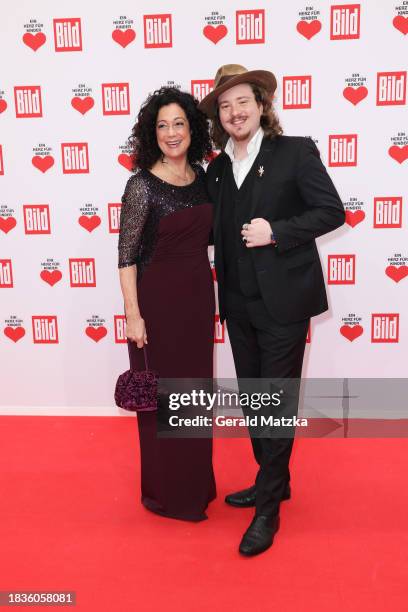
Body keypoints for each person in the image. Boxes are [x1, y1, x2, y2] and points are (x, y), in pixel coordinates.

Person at [199, 65, 345, 555]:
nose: (234, 111)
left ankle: (267, 510)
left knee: (275, 406)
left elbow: (332, 211)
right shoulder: (217, 168)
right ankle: (274, 481)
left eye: (243, 101)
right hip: (237, 305)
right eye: (224, 105)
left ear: (261, 105)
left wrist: (277, 232)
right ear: (219, 116)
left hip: (284, 304)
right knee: (255, 402)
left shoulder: (295, 151)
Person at [117, 87, 216, 521]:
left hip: (197, 299)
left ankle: (196, 484)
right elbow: (126, 256)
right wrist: (134, 316)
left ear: (192, 128)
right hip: (157, 304)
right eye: (162, 125)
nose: (171, 133)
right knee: (163, 399)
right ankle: (168, 493)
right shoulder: (140, 185)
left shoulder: (203, 177)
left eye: (179, 123)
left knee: (196, 394)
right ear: (150, 132)